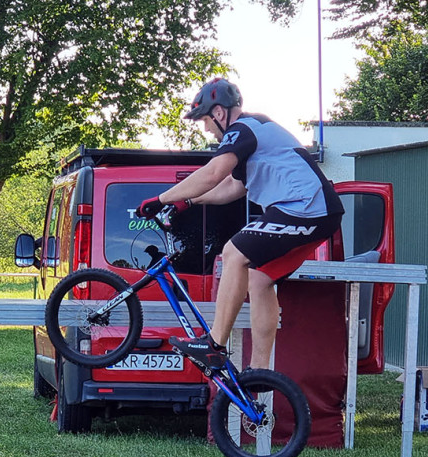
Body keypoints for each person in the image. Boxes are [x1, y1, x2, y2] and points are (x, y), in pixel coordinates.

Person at [136, 77, 344, 372]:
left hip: (305, 208)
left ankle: (214, 345)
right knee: (259, 280)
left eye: (205, 121)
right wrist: (189, 202)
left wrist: (160, 198)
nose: (206, 128)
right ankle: (259, 373)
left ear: (219, 113)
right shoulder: (252, 136)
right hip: (311, 211)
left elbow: (212, 174)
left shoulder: (242, 130)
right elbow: (231, 188)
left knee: (233, 252)